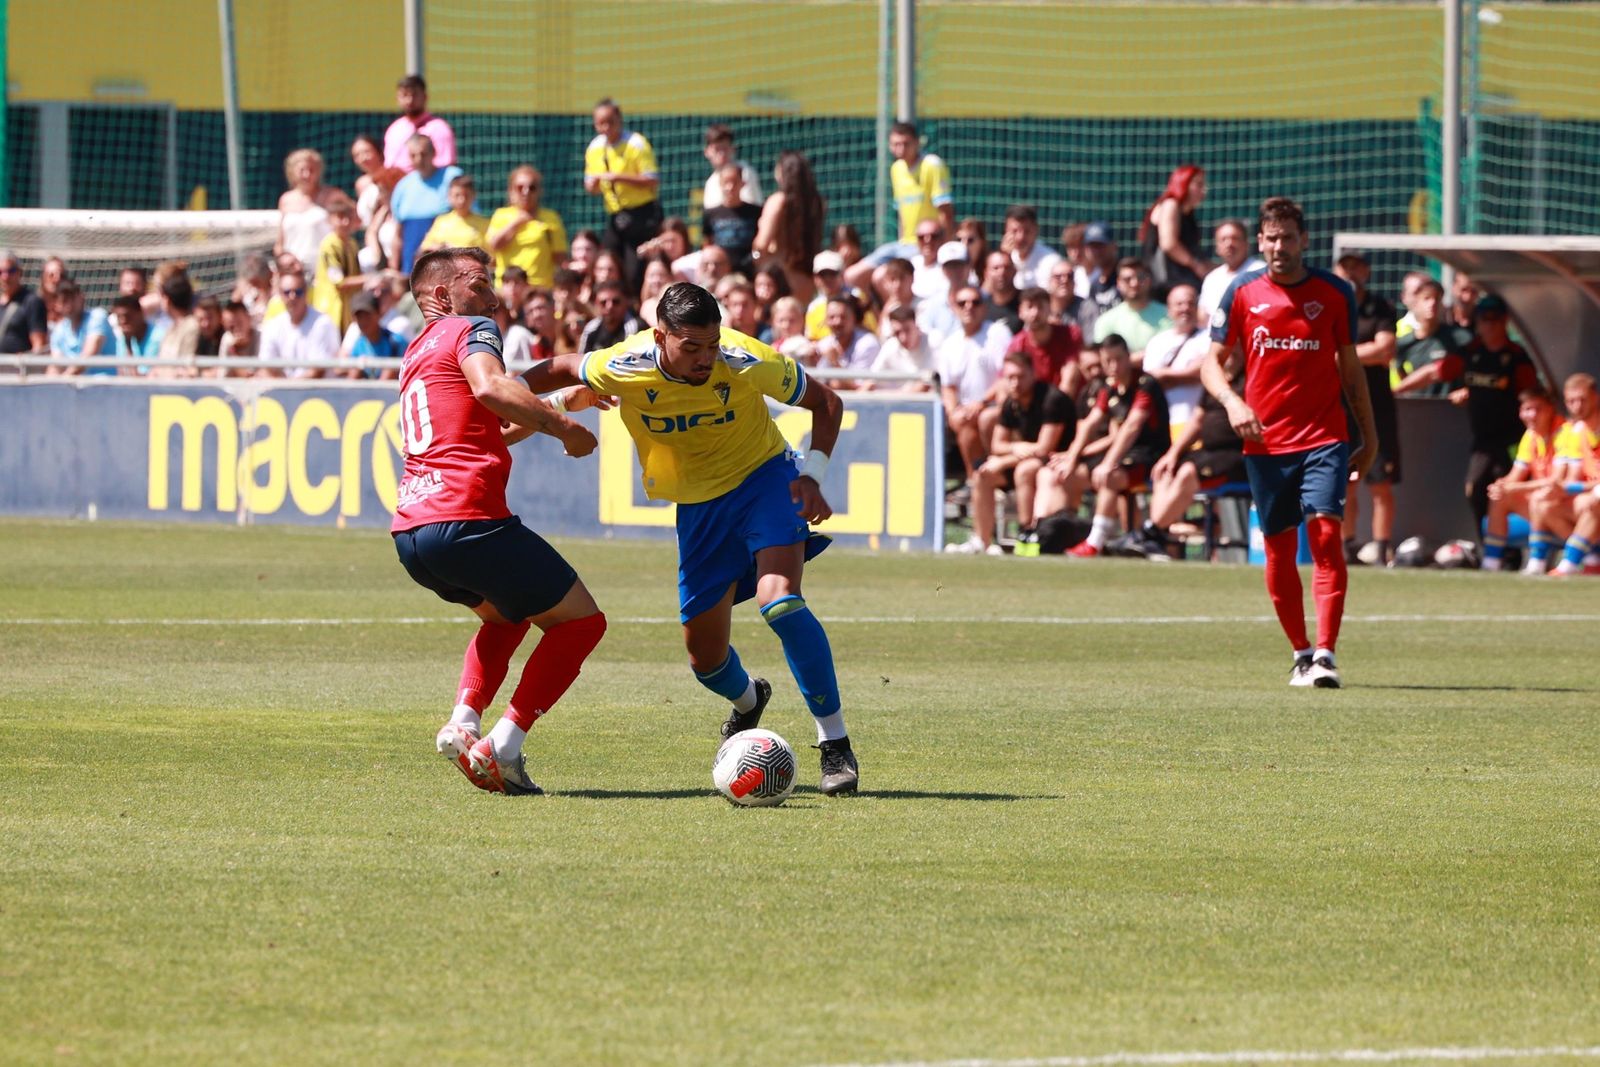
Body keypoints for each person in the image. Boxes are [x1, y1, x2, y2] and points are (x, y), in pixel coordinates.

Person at [518, 281, 861, 795]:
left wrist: (811, 474)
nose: (706, 359)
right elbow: (563, 367)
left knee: (781, 602)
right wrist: (508, 393)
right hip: (698, 510)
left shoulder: (746, 360)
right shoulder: (624, 363)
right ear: (660, 337)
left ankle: (834, 744)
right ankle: (749, 700)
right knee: (705, 659)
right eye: (691, 347)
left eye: (712, 344)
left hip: (765, 480)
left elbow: (827, 403)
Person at [392, 246, 604, 796]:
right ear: (442, 295)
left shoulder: (418, 351)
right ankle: (504, 745)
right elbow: (491, 388)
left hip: (415, 535)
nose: (492, 296)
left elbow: (493, 424)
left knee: (506, 619)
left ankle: (464, 721)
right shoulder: (471, 329)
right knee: (581, 623)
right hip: (467, 517)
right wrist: (565, 428)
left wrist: (558, 399)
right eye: (478, 283)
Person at [1199, 196, 1377, 689]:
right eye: (1272, 238)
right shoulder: (1241, 292)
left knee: (1324, 536)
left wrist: (1369, 433)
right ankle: (1301, 653)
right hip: (1265, 443)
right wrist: (1234, 404)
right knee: (1279, 550)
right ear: (1261, 242)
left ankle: (1326, 654)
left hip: (1325, 437)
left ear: (1305, 241)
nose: (1280, 247)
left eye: (1289, 238)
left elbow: (1350, 368)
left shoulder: (1336, 293)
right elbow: (1211, 363)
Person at [1431, 293, 1539, 536]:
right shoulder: (1471, 351)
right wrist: (1397, 389)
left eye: (1495, 319)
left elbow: (1531, 394)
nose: (1489, 325)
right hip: (1483, 440)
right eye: (1484, 319)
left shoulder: (1515, 357)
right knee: (1476, 488)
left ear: (1505, 322)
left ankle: (1512, 550)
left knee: (1509, 490)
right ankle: (1488, 544)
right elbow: (1436, 372)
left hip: (1512, 438)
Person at [1060, 334, 1172, 558]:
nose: (1113, 366)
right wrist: (1071, 457)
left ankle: (1095, 542)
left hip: (1151, 455)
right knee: (1071, 473)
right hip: (1124, 455)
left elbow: (1132, 426)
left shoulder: (1146, 384)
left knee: (1109, 476)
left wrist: (1108, 463)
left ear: (1128, 357)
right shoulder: (1108, 387)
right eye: (1107, 361)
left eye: (1118, 359)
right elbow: (1091, 423)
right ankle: (1062, 530)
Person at [963, 353, 1073, 554]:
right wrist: (1016, 448)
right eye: (1009, 378)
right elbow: (998, 444)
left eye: (1020, 377)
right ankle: (982, 540)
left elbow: (1044, 449)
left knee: (1025, 469)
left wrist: (1004, 461)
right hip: (1025, 458)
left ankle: (1027, 533)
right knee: (982, 475)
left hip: (1058, 462)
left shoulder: (1052, 399)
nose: (1015, 383)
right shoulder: (1011, 402)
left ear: (1033, 374)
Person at [1140, 353, 1248, 559]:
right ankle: (1156, 535)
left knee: (1188, 471)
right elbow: (1196, 421)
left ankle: (1151, 532)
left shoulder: (1250, 379)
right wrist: (1171, 454)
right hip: (1206, 452)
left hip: (1235, 453)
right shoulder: (1215, 381)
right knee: (1166, 470)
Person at [1333, 252, 1401, 566]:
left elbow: (1385, 349)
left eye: (1356, 267)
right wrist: (1362, 353)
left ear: (1366, 271)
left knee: (1380, 483)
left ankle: (1382, 550)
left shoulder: (1382, 307)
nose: (1351, 273)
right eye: (1345, 267)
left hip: (1376, 410)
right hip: (1340, 409)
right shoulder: (1331, 306)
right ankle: (1348, 548)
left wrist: (1342, 356)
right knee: (1344, 483)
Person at [584, 98, 662, 292]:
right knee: (608, 262)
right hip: (616, 216)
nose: (606, 127)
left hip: (642, 214)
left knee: (634, 269)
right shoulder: (595, 148)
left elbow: (652, 179)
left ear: (619, 119)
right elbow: (591, 187)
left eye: (610, 121)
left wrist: (619, 178)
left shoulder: (636, 144)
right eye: (601, 123)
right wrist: (594, 184)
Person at [1482, 387, 1563, 573]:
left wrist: (1515, 487)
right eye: (1527, 409)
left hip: (1563, 503)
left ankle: (1537, 562)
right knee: (1500, 497)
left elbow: (1557, 481)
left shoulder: (1563, 432)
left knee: (1538, 498)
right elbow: (1515, 476)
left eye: (1538, 409)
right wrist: (1501, 486)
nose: (1532, 415)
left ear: (1551, 409)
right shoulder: (1530, 436)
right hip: (1543, 502)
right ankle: (1490, 563)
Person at [938, 284, 1012, 480]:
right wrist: (953, 412)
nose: (968, 307)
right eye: (962, 303)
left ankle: (1001, 479)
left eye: (975, 302)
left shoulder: (998, 333)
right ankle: (978, 480)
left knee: (987, 418)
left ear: (984, 307)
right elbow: (948, 387)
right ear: (954, 307)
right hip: (967, 411)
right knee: (964, 425)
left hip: (996, 405)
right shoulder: (949, 345)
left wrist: (982, 402)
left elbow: (1007, 376)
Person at [1539, 374, 1600, 576]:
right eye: (1572, 401)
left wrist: (1571, 488)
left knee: (1591, 502)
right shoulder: (1576, 431)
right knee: (1544, 505)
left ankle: (1568, 565)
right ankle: (1593, 556)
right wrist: (1558, 489)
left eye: (1583, 399)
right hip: (1592, 495)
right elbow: (1571, 477)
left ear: (1596, 398)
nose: (1577, 406)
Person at [752, 150, 825, 303]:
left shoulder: (778, 201)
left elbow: (762, 244)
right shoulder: (816, 204)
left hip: (779, 278)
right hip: (806, 280)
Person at [1138, 283, 1208, 428]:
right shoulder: (1157, 342)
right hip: (1163, 425)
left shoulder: (1209, 338)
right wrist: (1188, 374)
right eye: (1179, 304)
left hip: (1196, 424)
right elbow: (1150, 380)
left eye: (1190, 303)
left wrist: (1165, 376)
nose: (1185, 308)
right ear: (1169, 309)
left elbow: (1205, 371)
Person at [389, 135, 463, 272]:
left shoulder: (452, 177)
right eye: (413, 155)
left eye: (423, 154)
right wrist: (394, 269)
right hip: (411, 268)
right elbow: (398, 234)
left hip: (447, 266)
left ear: (433, 153)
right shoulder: (403, 186)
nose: (419, 159)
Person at [486, 165, 567, 287]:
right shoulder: (501, 215)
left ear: (539, 191)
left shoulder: (551, 218)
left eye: (532, 187)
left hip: (540, 288)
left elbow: (560, 256)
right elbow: (493, 245)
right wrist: (517, 222)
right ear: (511, 190)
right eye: (520, 187)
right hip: (508, 287)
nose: (526, 192)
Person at [1139, 164, 1211, 296]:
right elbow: (1169, 244)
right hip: (1166, 284)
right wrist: (1196, 265)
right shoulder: (1170, 205)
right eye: (1198, 184)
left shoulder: (1188, 214)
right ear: (1184, 183)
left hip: (1181, 279)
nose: (1204, 190)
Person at [1392, 277, 1471, 398]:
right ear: (1416, 302)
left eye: (1437, 299)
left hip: (1450, 409)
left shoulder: (1460, 338)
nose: (1432, 303)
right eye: (1426, 298)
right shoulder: (1404, 343)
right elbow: (1399, 370)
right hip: (1419, 408)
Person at [258, 270, 340, 379]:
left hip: (319, 392)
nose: (292, 297)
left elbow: (318, 372)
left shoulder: (322, 323)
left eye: (298, 292)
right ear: (280, 295)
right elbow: (267, 366)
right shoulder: (273, 326)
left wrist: (289, 389)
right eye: (287, 292)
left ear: (306, 293)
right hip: (284, 390)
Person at [276, 148, 342, 278]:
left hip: (325, 269)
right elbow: (280, 241)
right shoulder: (285, 200)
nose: (307, 175)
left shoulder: (332, 195)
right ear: (292, 172)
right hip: (294, 271)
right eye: (302, 170)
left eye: (311, 170)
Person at [312, 196, 370, 335]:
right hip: (331, 310)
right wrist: (371, 278)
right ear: (330, 219)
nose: (345, 222)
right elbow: (340, 283)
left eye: (349, 218)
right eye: (340, 217)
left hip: (349, 310)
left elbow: (356, 277)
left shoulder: (352, 244)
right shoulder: (329, 246)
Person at [1007, 286, 1080, 395]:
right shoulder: (1017, 344)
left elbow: (1072, 372)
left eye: (1040, 307)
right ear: (1020, 312)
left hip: (1066, 402)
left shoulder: (1070, 334)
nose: (1035, 313)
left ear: (1050, 309)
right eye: (1030, 307)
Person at [1092, 258, 1170, 355]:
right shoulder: (1106, 321)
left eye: (1140, 278)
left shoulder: (1168, 315)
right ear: (1118, 283)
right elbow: (1103, 356)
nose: (1134, 283)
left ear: (1149, 281)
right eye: (1127, 279)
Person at [384, 74, 456, 173]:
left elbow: (445, 167)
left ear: (425, 97)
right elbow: (389, 165)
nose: (409, 100)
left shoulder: (439, 128)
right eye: (404, 95)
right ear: (397, 99)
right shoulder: (394, 129)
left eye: (414, 95)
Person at [701, 164, 762, 276]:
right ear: (720, 184)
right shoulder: (711, 213)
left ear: (743, 183)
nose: (730, 187)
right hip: (720, 272)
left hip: (748, 271)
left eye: (734, 182)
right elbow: (707, 243)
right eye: (726, 182)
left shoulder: (756, 211)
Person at [46, 279, 116, 376]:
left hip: (105, 386)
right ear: (57, 305)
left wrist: (64, 379)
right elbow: (55, 366)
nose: (69, 304)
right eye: (64, 300)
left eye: (72, 298)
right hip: (72, 387)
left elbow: (88, 356)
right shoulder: (59, 330)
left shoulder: (97, 316)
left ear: (81, 297)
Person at [1197, 219, 1261, 317]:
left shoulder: (1260, 272)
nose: (1229, 244)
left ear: (1246, 244)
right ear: (1217, 247)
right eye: (1223, 239)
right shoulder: (1212, 279)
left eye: (1235, 238)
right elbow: (1203, 317)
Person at [340, 290, 409, 380]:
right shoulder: (359, 344)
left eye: (367, 315)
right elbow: (351, 379)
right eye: (359, 316)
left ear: (378, 314)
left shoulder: (396, 342)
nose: (363, 321)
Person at [420, 174, 491, 256]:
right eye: (457, 195)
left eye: (466, 195)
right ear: (449, 196)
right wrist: (441, 248)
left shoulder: (484, 223)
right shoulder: (441, 221)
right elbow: (426, 246)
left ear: (473, 196)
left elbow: (491, 255)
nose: (462, 200)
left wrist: (460, 252)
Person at [701, 124, 762, 210]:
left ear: (732, 149)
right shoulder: (710, 184)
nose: (722, 154)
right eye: (717, 149)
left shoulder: (745, 172)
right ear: (706, 152)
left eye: (725, 148)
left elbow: (752, 208)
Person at [1002, 204, 1062, 290]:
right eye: (1014, 231)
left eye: (1026, 231)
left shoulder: (1051, 262)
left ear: (1036, 230)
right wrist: (1005, 257)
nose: (1020, 237)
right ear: (1006, 231)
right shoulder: (1003, 258)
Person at [0, 252, 49, 354]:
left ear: (20, 272)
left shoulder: (32, 301)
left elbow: (39, 345)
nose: (6, 277)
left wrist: (26, 362)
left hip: (18, 368)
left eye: (11, 271)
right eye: (1, 272)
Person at [578, 280, 644, 353]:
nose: (609, 306)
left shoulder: (636, 328)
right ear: (596, 304)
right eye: (603, 302)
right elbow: (582, 360)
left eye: (615, 302)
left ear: (626, 302)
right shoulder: (591, 328)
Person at [110, 294, 165, 375]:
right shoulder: (122, 340)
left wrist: (128, 345)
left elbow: (144, 380)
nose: (123, 321)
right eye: (119, 317)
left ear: (140, 314)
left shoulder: (159, 338)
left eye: (127, 316)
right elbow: (122, 374)